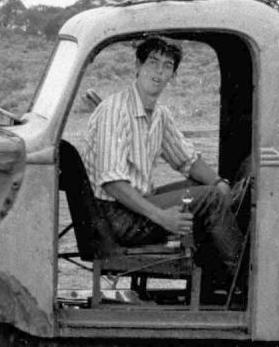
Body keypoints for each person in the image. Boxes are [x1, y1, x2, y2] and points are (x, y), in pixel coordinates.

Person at [83, 35, 245, 297]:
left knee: (206, 189)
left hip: (135, 208)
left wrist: (219, 183)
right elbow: (112, 183)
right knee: (210, 199)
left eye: (167, 66)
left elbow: (187, 160)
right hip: (114, 217)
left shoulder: (160, 114)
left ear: (173, 75)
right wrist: (162, 217)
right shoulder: (114, 110)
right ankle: (246, 285)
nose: (158, 72)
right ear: (138, 66)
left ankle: (215, 284)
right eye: (152, 62)